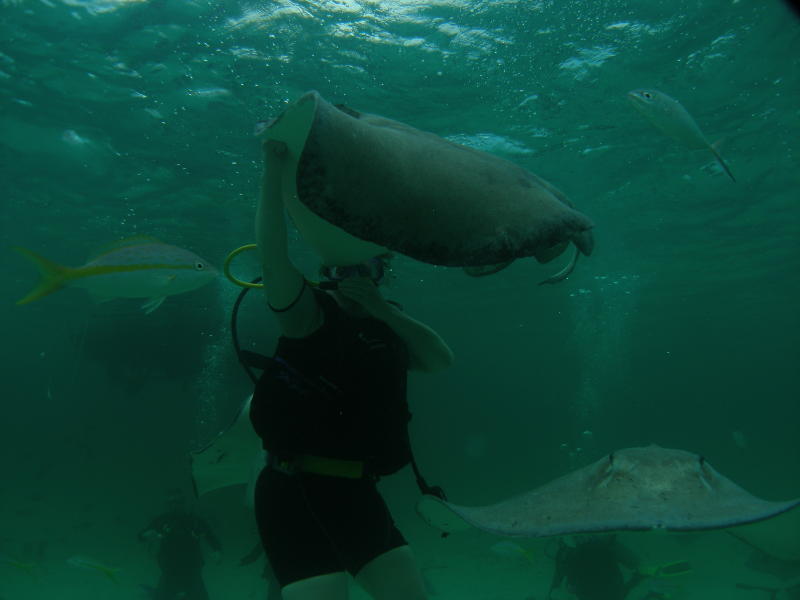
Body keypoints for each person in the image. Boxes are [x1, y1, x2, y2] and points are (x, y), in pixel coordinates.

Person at [249, 139, 454, 600]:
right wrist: (273, 172)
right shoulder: (307, 314)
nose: (354, 279)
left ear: (385, 272)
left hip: (358, 491)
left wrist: (386, 312)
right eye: (342, 270)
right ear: (326, 273)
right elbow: (272, 255)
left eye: (367, 269)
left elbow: (441, 359)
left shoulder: (389, 326)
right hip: (292, 488)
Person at [138, 490, 223, 600]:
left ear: (183, 503)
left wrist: (217, 550)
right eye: (171, 502)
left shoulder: (194, 521)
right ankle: (160, 593)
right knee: (163, 596)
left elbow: (210, 536)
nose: (175, 505)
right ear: (168, 505)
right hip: (170, 569)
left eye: (178, 502)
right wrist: (145, 535)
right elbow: (141, 537)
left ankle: (180, 594)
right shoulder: (161, 521)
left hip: (192, 569)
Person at [548, 535, 670, 600]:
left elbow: (558, 581)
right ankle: (652, 591)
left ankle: (652, 590)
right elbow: (633, 563)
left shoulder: (567, 554)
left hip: (599, 593)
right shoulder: (604, 545)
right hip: (610, 591)